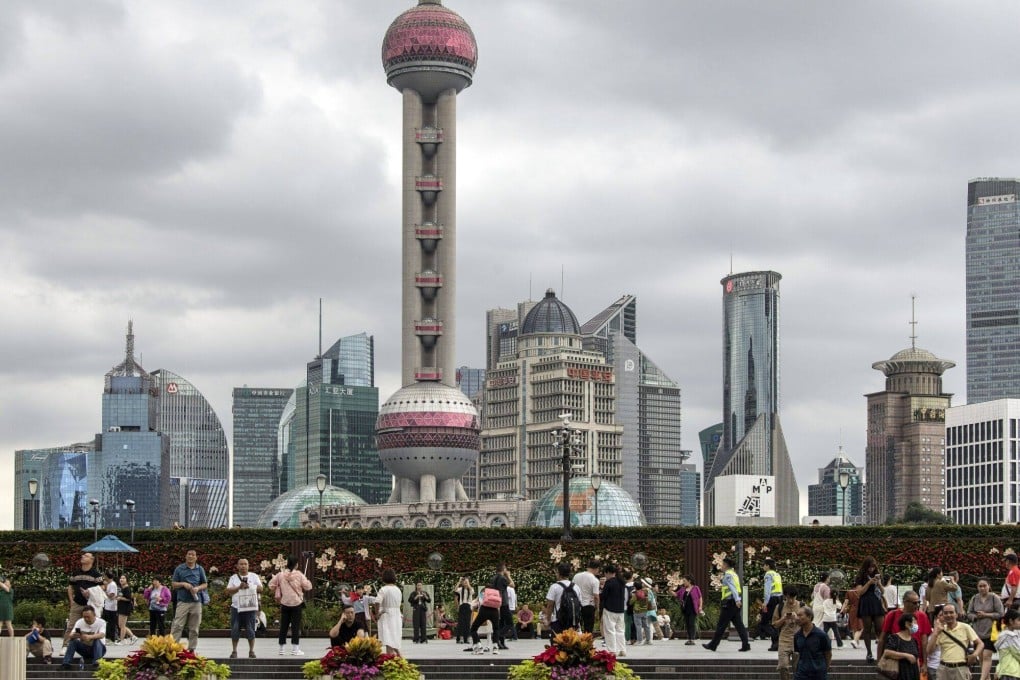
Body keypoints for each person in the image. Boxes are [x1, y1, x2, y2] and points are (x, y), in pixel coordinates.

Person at [703, 556, 751, 652]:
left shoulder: (728, 574)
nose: (721, 566)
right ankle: (745, 645)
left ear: (726, 565)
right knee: (739, 625)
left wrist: (737, 600)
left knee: (721, 625)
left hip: (730, 603)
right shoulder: (734, 574)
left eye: (722, 564)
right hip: (733, 603)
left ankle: (713, 645)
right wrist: (737, 600)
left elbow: (732, 587)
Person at [268, 555, 312, 656]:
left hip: (285, 603)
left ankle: (281, 649)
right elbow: (308, 586)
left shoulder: (280, 575)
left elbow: (271, 585)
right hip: (296, 603)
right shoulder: (299, 575)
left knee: (283, 626)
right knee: (295, 627)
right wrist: (306, 581)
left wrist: (278, 586)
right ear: (296, 564)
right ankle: (295, 649)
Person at [925, 603, 982, 680]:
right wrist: (935, 633)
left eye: (951, 612)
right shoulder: (940, 630)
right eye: (945, 613)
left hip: (961, 668)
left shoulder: (965, 627)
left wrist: (975, 655)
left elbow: (980, 643)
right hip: (944, 669)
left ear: (956, 615)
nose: (948, 615)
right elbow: (929, 650)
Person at [877, 590, 930, 664]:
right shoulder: (892, 615)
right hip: (896, 661)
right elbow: (882, 639)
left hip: (916, 661)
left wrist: (925, 663)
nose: (917, 605)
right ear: (905, 602)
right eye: (914, 603)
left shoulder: (922, 616)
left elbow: (924, 641)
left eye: (918, 602)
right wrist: (879, 660)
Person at [170, 549, 208, 650]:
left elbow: (205, 584)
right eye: (189, 554)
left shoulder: (200, 569)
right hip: (182, 602)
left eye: (193, 555)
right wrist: (183, 584)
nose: (191, 556)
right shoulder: (179, 568)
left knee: (194, 628)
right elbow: (173, 584)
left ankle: (191, 650)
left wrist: (198, 588)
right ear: (186, 556)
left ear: (196, 557)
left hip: (196, 602)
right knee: (177, 626)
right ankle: (173, 649)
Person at [225, 558, 263, 659]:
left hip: (250, 608)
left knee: (250, 629)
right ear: (237, 566)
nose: (243, 566)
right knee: (235, 629)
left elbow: (261, 589)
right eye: (241, 564)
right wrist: (239, 587)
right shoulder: (233, 578)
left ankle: (251, 651)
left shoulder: (254, 576)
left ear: (248, 565)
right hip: (236, 608)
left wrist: (250, 585)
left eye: (245, 564)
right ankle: (234, 651)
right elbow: (228, 590)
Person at [966, 579, 1003, 680]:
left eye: (984, 586)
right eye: (980, 586)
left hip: (990, 632)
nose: (982, 588)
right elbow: (969, 613)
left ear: (989, 586)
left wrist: (986, 614)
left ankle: (982, 679)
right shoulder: (974, 598)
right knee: (981, 658)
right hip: (977, 632)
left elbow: (1001, 614)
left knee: (987, 656)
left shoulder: (994, 598)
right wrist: (975, 616)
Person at [64, 553, 103, 649]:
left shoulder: (96, 574)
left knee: (90, 625)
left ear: (92, 560)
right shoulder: (76, 572)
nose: (82, 557)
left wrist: (90, 592)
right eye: (82, 556)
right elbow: (70, 586)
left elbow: (102, 587)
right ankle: (66, 646)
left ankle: (88, 646)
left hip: (90, 605)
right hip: (77, 603)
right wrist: (71, 600)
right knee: (71, 626)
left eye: (86, 556)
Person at [467, 563, 507, 653]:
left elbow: (477, 603)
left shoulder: (484, 591)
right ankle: (495, 647)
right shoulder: (497, 592)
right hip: (495, 611)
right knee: (496, 629)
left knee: (473, 628)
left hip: (484, 610)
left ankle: (479, 645)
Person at [853, 556, 886, 663]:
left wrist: (879, 582)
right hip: (866, 602)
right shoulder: (861, 577)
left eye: (873, 567)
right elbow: (859, 592)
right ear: (866, 566)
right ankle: (869, 652)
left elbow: (883, 591)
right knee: (867, 629)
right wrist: (869, 583)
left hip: (876, 602)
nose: (871, 569)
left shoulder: (878, 575)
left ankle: (881, 653)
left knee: (880, 628)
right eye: (869, 567)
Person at [61, 606, 106, 670]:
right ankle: (66, 663)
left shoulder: (101, 622)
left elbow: (102, 635)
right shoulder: (80, 622)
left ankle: (96, 663)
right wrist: (77, 635)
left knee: (97, 639)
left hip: (99, 649)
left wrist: (90, 637)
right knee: (73, 641)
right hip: (85, 648)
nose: (86, 619)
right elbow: (70, 635)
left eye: (88, 617)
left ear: (94, 615)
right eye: (84, 617)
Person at [793, 605, 831, 680]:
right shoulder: (797, 636)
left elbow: (828, 654)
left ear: (809, 617)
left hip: (818, 674)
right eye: (797, 615)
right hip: (801, 674)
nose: (797, 618)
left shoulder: (821, 635)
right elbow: (798, 653)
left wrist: (824, 670)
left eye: (800, 615)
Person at [880, 612, 922, 680]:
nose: (916, 625)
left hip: (913, 675)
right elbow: (887, 652)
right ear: (907, 624)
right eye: (914, 622)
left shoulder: (914, 640)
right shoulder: (894, 638)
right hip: (899, 674)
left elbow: (916, 659)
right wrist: (906, 656)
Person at [543, 562, 579, 635]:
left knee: (557, 643)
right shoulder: (576, 587)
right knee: (571, 643)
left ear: (558, 573)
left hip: (558, 621)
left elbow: (550, 606)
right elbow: (579, 604)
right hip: (573, 622)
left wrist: (548, 619)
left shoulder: (554, 587)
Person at [774, 585, 801, 680]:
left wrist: (797, 618)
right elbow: (775, 624)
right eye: (789, 597)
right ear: (785, 596)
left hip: (798, 640)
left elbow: (808, 622)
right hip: (784, 640)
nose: (791, 600)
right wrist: (783, 619)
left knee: (797, 668)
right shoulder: (779, 607)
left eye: (793, 598)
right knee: (782, 666)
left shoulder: (802, 606)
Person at [600, 563, 627, 657]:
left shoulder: (609, 582)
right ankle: (622, 649)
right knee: (620, 630)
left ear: (607, 572)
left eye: (605, 574)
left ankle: (612, 650)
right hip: (620, 609)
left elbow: (604, 596)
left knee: (609, 630)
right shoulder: (621, 582)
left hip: (609, 609)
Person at [375, 568, 403, 656]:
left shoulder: (384, 589)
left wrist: (377, 613)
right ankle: (399, 657)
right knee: (394, 638)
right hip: (397, 615)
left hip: (387, 615)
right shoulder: (398, 589)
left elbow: (377, 602)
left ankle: (390, 660)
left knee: (388, 640)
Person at [760, 558, 784, 651]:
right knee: (775, 621)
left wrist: (765, 602)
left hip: (771, 599)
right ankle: (775, 645)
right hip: (779, 599)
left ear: (767, 566)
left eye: (764, 565)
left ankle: (775, 637)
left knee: (764, 622)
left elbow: (767, 589)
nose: (763, 567)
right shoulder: (777, 574)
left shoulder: (768, 574)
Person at [573, 559, 601, 635]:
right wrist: (598, 608)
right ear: (596, 568)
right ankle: (587, 644)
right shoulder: (595, 580)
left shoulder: (576, 576)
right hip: (589, 605)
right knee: (588, 628)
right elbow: (596, 596)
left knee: (577, 627)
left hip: (577, 604)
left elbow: (572, 589)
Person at [675, 574, 703, 646]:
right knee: (687, 624)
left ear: (689, 581)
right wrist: (670, 590)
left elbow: (700, 598)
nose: (683, 582)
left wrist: (700, 607)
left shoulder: (696, 588)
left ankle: (692, 639)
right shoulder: (683, 589)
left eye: (684, 581)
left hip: (693, 609)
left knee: (691, 623)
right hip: (685, 609)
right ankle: (689, 639)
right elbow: (676, 595)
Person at [995, 608, 1020, 680]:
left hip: (1005, 671)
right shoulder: (1010, 636)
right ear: (1011, 621)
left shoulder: (1003, 635)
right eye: (1018, 620)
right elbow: (1018, 653)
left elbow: (1002, 657)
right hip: (1012, 672)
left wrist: (998, 669)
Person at [628, 578, 651, 644]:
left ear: (635, 587)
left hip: (637, 612)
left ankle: (640, 640)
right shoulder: (645, 592)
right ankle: (648, 640)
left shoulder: (635, 594)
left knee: (638, 626)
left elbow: (630, 602)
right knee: (646, 626)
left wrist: (631, 596)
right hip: (645, 611)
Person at [116, 574, 138, 645]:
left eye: (123, 578)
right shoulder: (122, 588)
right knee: (121, 625)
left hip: (125, 608)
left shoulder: (127, 588)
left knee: (122, 625)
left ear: (127, 580)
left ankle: (122, 640)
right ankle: (133, 636)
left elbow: (128, 599)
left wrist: (120, 598)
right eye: (121, 578)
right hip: (121, 607)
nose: (121, 579)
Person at [100, 573, 120, 645]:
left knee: (112, 623)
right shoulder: (109, 584)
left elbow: (112, 595)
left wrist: (104, 592)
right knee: (107, 622)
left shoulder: (112, 584)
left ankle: (112, 638)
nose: (104, 578)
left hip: (111, 607)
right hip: (107, 606)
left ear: (108, 577)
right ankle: (109, 637)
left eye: (105, 577)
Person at [454, 577, 474, 644]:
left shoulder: (471, 589)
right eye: (464, 582)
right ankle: (461, 637)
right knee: (461, 622)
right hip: (462, 606)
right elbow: (455, 590)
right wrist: (459, 581)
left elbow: (472, 591)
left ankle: (467, 637)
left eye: (466, 582)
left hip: (468, 606)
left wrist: (468, 583)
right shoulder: (460, 589)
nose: (465, 583)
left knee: (467, 622)